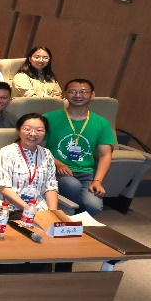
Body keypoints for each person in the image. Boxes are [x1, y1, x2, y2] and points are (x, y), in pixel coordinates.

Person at [45, 79, 115, 216]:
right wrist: (58, 163)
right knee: (72, 186)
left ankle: (71, 217)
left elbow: (105, 155)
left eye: (83, 92)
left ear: (92, 95)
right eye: (72, 92)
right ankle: (64, 215)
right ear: (65, 94)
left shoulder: (101, 123)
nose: (78, 95)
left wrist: (97, 181)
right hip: (55, 170)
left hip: (86, 174)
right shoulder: (49, 118)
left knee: (93, 206)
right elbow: (38, 148)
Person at [0, 114, 59, 214]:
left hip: (39, 209)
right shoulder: (7, 153)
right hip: (9, 210)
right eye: (27, 129)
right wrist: (29, 210)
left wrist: (53, 214)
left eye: (39, 130)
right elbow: (4, 188)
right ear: (19, 131)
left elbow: (51, 187)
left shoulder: (46, 154)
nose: (33, 133)